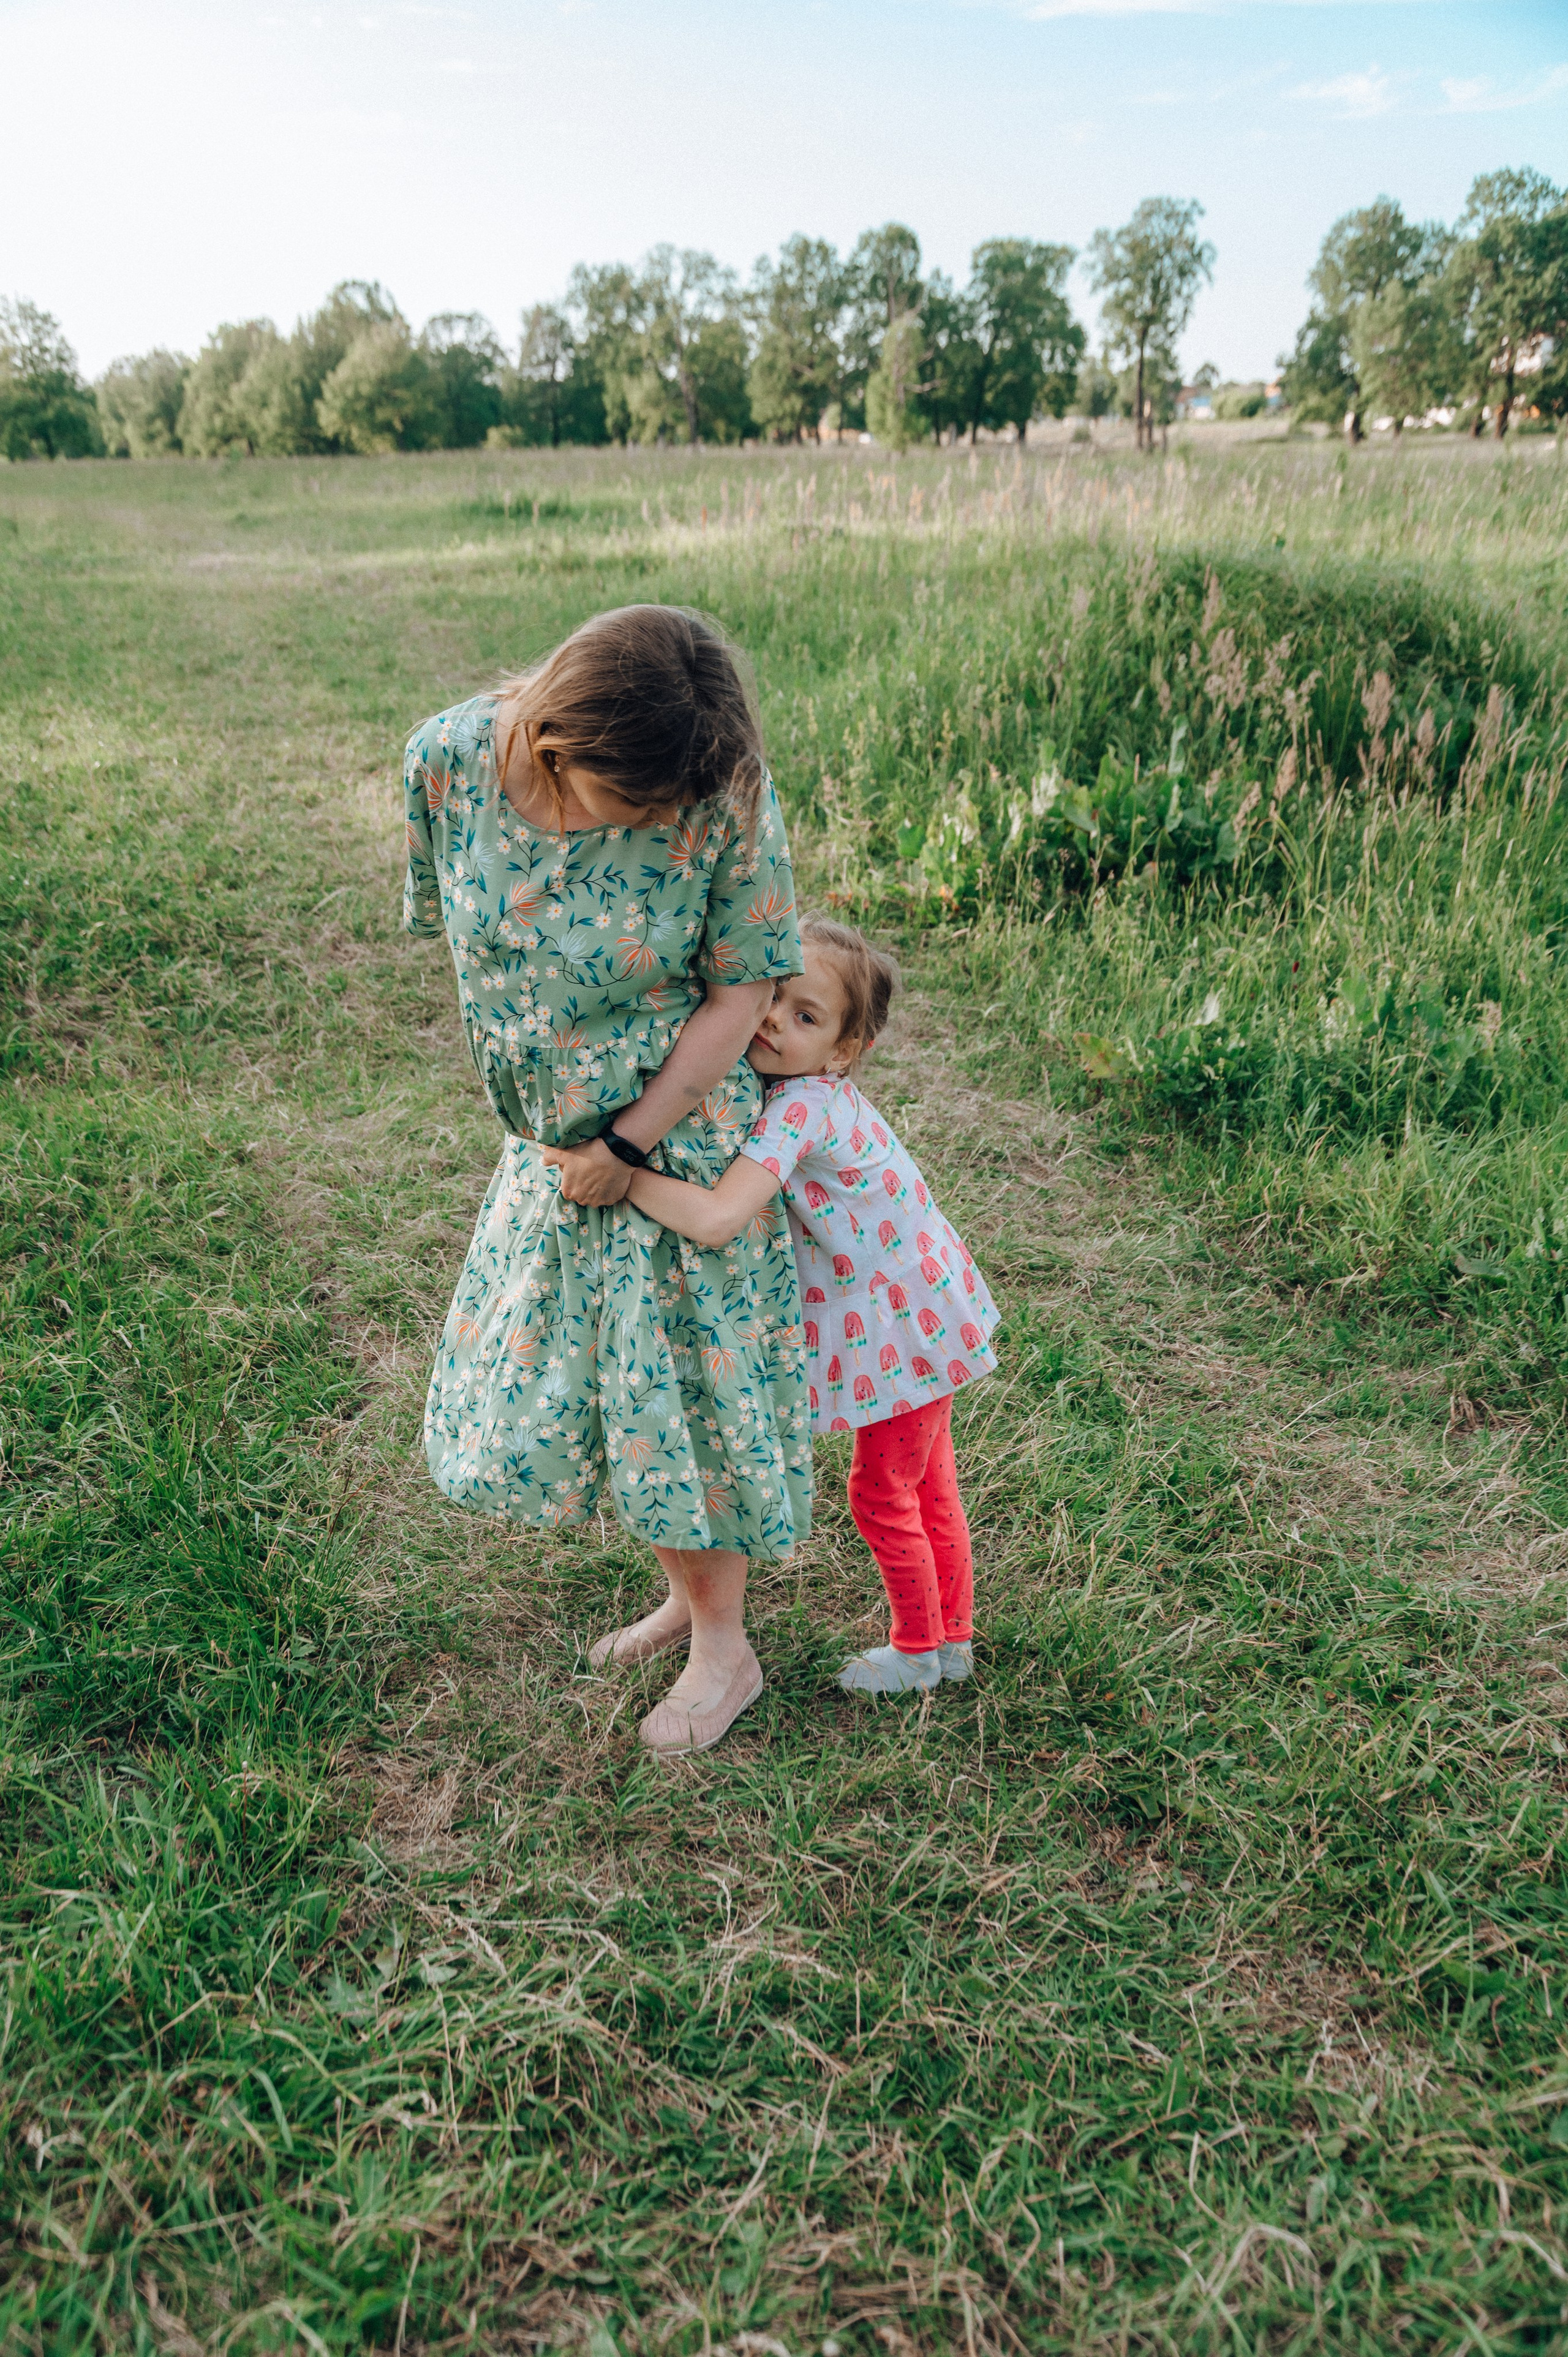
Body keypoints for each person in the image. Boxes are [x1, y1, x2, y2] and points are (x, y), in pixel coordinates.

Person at [402, 605, 812, 1755]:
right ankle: (687, 1599)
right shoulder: (444, 763)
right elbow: (470, 943)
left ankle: (726, 1652)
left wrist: (625, 1143)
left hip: (667, 1137)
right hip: (551, 1152)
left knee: (677, 1399)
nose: (664, 821)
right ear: (554, 743)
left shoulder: (722, 786)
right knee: (617, 1389)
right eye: (639, 805)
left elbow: (741, 990)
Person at [624, 916, 1000, 1695]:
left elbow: (720, 1215)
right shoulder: (822, 1092)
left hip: (903, 1330)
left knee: (881, 1492)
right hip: (930, 1307)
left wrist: (616, 1172)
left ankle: (918, 1650)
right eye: (771, 996)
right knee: (930, 1482)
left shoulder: (799, 1107)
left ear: (843, 1051)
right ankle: (952, 1639)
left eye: (806, 1015)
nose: (771, 1020)